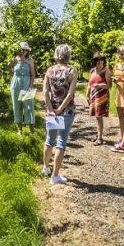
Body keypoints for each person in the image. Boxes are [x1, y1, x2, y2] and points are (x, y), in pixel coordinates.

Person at [42, 44, 78, 185]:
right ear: (68, 55)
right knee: (61, 142)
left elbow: (45, 92)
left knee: (50, 139)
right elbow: (70, 94)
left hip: (52, 110)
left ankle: (45, 167)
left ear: (56, 55)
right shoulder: (71, 72)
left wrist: (51, 109)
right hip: (66, 111)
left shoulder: (49, 70)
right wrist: (60, 110)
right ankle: (55, 176)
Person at [8, 42, 36, 134]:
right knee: (17, 106)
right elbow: (8, 67)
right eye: (23, 49)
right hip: (16, 84)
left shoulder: (30, 60)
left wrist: (31, 85)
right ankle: (19, 129)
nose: (24, 51)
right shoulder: (14, 59)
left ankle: (32, 130)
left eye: (26, 50)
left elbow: (33, 74)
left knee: (28, 106)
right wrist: (14, 72)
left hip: (26, 85)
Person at [87, 52, 112, 145]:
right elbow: (89, 84)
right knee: (96, 117)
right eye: (97, 60)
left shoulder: (106, 70)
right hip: (93, 96)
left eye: (101, 59)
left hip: (102, 96)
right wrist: (87, 94)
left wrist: (101, 85)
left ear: (103, 60)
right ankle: (98, 135)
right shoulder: (92, 71)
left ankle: (100, 138)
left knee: (99, 117)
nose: (99, 61)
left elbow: (109, 85)